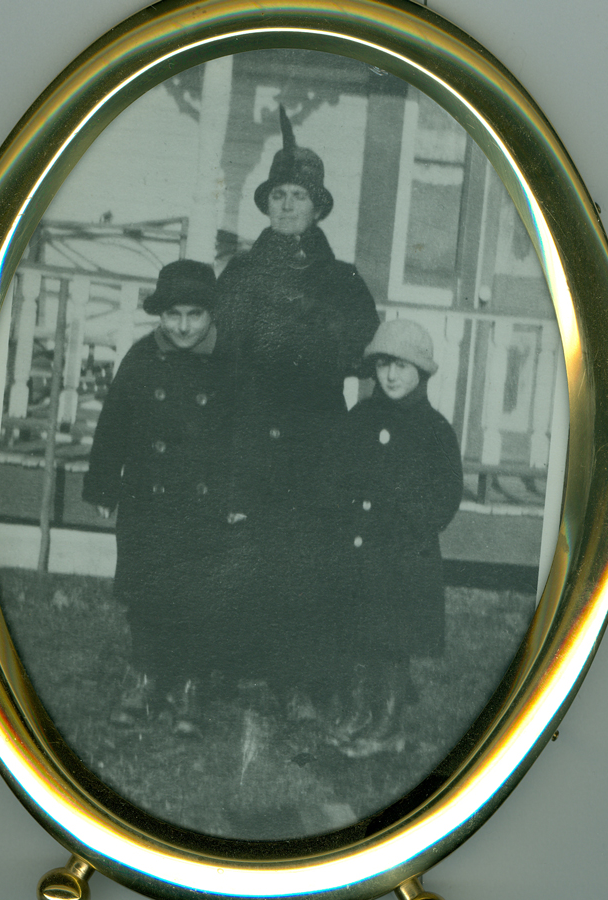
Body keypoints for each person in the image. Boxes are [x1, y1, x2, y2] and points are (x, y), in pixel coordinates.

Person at [214, 106, 379, 710]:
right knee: (247, 551)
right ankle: (237, 673)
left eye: (298, 197)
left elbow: (355, 343)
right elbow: (226, 342)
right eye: (278, 195)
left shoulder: (340, 279)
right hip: (252, 433)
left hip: (315, 439)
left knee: (308, 555)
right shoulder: (241, 272)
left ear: (317, 208)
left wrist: (299, 331)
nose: (286, 206)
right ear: (266, 204)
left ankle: (305, 680)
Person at [82, 259, 234, 729]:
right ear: (159, 315)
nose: (183, 326)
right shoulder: (142, 357)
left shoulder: (229, 364)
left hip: (207, 505)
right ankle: (146, 677)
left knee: (197, 594)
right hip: (148, 499)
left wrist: (240, 499)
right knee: (145, 591)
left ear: (211, 314)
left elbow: (244, 438)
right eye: (173, 315)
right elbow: (113, 425)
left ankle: (189, 684)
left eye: (194, 314)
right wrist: (105, 483)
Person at [327, 319, 463, 757]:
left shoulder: (434, 430)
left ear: (421, 371)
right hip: (358, 551)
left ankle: (388, 721)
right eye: (384, 364)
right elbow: (339, 477)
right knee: (353, 634)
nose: (391, 375)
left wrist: (411, 525)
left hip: (403, 558)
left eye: (402, 366)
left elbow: (445, 495)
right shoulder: (360, 418)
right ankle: (359, 711)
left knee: (391, 640)